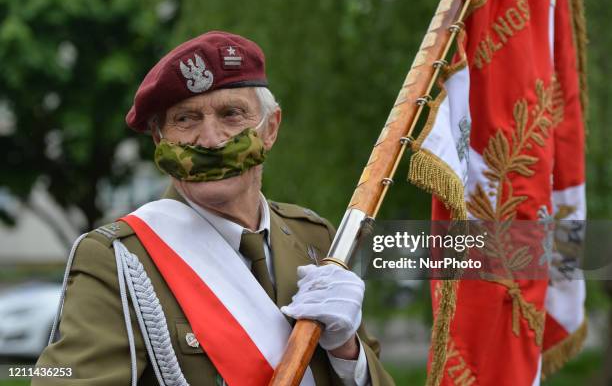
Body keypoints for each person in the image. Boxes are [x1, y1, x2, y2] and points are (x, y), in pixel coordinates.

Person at [34, 31, 394, 386]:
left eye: (231, 114)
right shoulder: (117, 260)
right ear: (160, 140)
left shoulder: (314, 237)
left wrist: (348, 353)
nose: (209, 139)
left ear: (270, 129)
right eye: (186, 119)